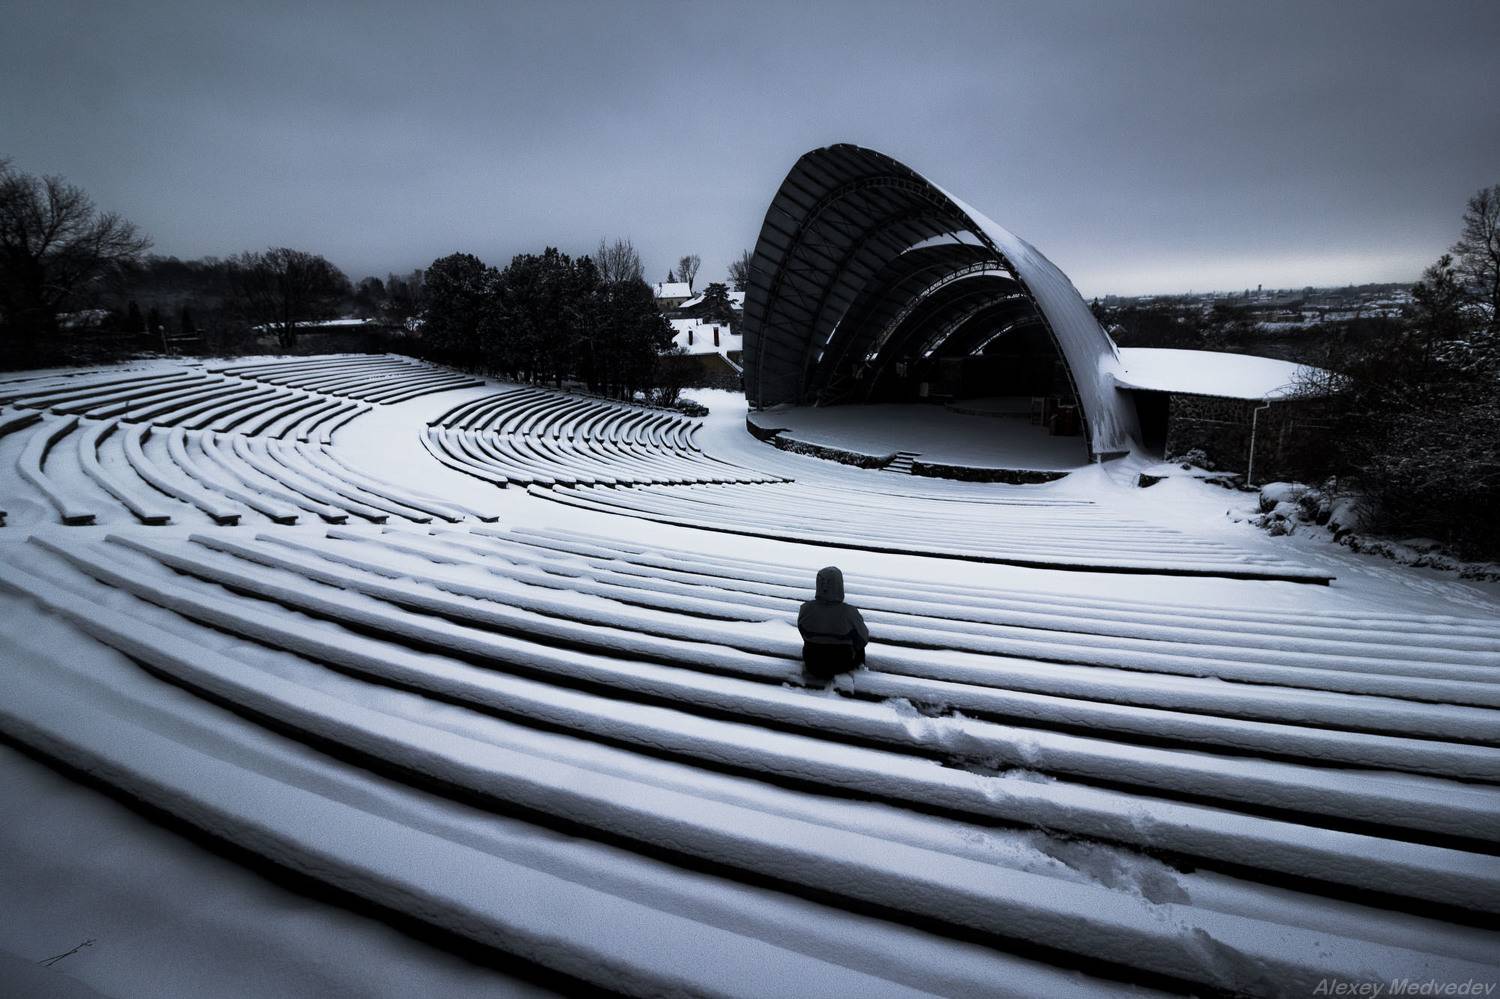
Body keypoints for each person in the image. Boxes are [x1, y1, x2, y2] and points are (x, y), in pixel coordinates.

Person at [797, 566, 869, 680]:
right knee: (857, 639)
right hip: (842, 665)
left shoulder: (805, 609)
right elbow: (863, 639)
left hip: (812, 664)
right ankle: (860, 670)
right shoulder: (849, 612)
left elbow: (803, 631)